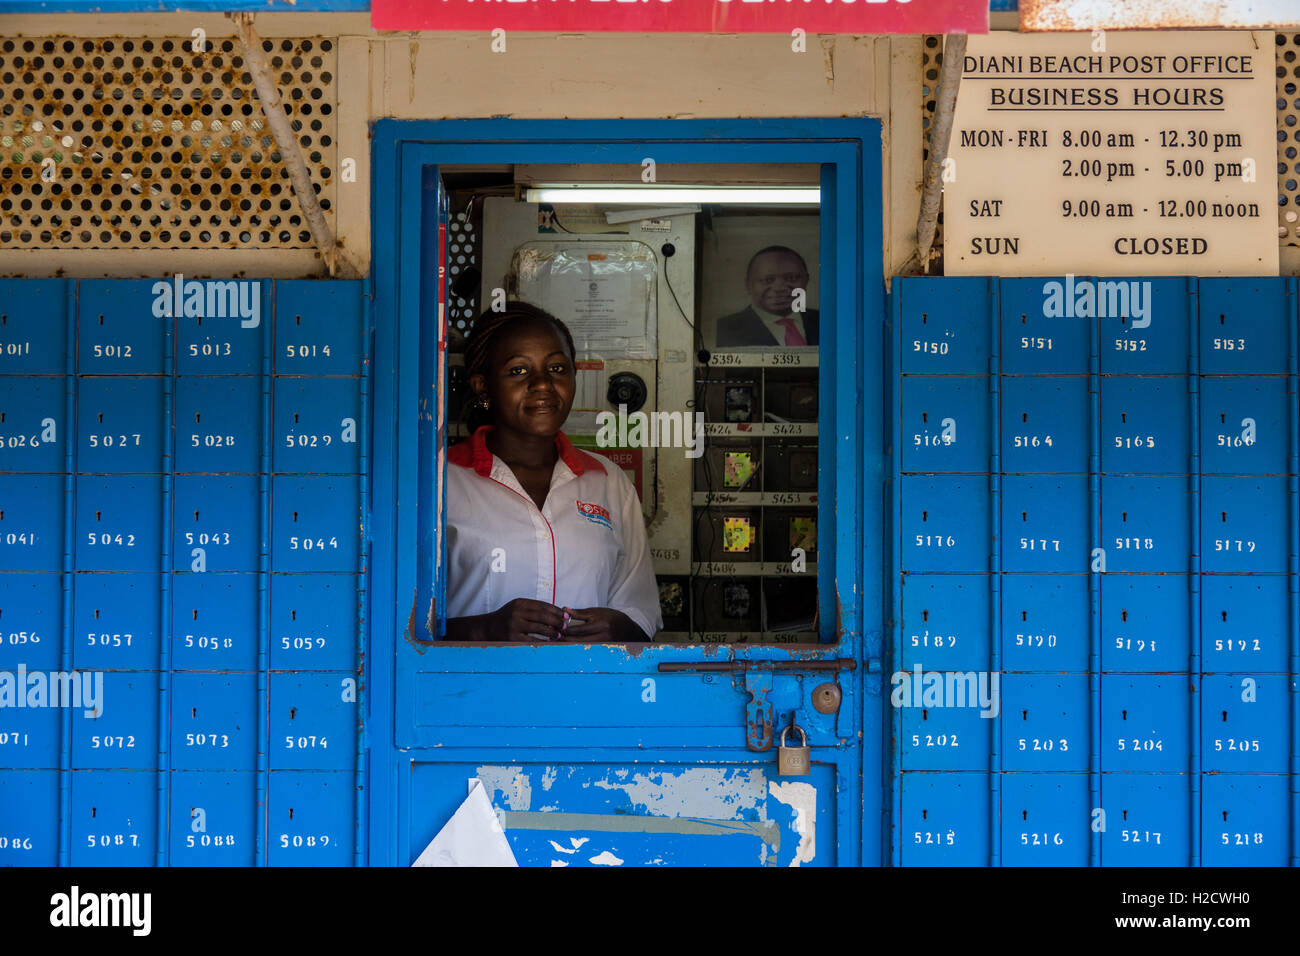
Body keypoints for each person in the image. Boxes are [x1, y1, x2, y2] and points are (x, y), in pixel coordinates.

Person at [444, 301, 662, 642]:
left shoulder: (607, 481)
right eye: (518, 370)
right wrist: (485, 628)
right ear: (482, 385)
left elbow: (642, 611)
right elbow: (398, 623)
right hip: (470, 692)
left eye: (557, 369)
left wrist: (618, 627)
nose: (543, 384)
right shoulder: (442, 480)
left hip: (585, 691)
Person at [714, 245, 820, 347]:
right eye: (767, 280)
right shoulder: (722, 330)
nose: (779, 288)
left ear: (806, 280)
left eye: (791, 278)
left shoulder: (826, 321)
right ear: (748, 285)